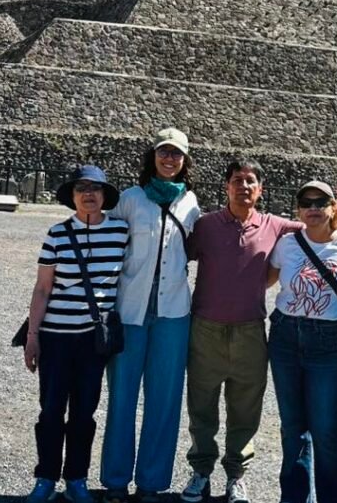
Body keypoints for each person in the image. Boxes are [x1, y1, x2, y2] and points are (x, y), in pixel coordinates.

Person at [181, 162, 337, 503]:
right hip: (206, 328)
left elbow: (316, 225)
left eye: (250, 181)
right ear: (226, 186)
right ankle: (201, 469)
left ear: (260, 190)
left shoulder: (276, 226)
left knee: (245, 409)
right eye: (236, 181)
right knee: (201, 406)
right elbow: (175, 255)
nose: (243, 186)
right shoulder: (204, 226)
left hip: (250, 330)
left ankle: (237, 474)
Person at [101, 129, 202, 503]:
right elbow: (106, 244)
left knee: (165, 399)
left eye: (176, 154)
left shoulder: (192, 204)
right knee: (122, 397)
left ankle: (151, 482)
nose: (169, 159)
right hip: (130, 310)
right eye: (164, 152)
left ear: (185, 161)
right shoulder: (130, 199)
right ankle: (114, 481)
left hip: (173, 312)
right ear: (153, 156)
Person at [23, 165, 130, 503]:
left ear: (104, 196)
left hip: (92, 339)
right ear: (72, 196)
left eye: (95, 188)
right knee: (51, 410)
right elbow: (42, 288)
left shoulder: (121, 232)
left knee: (85, 412)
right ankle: (45, 477)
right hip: (56, 335)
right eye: (81, 188)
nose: (88, 194)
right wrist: (33, 335)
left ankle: (77, 479)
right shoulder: (56, 234)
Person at [265, 180, 337, 503]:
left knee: (326, 430)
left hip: (330, 344)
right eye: (306, 202)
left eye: (321, 201)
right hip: (285, 337)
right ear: (297, 210)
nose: (313, 207)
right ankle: (294, 497)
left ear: (335, 207)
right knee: (292, 428)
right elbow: (263, 280)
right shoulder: (287, 244)